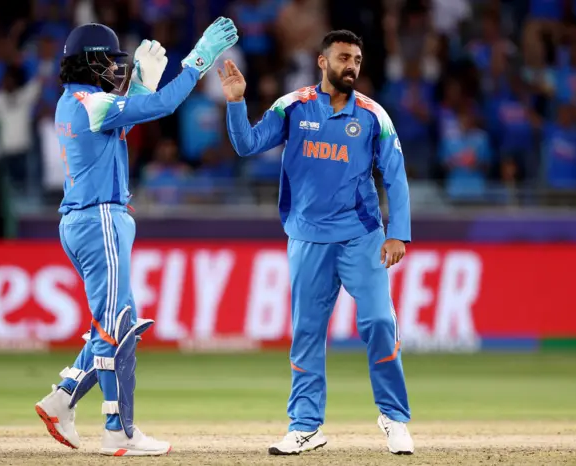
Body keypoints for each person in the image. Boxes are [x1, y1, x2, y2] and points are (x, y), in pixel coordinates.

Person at [34, 19, 238, 456]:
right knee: (116, 329)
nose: (114, 67)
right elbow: (161, 107)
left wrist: (140, 86)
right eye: (107, 59)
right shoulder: (93, 103)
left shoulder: (74, 103)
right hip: (100, 219)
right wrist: (198, 59)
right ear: (89, 61)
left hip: (83, 220)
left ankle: (63, 399)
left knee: (113, 321)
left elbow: (120, 126)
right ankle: (119, 430)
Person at [219, 30, 414, 455]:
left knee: (380, 322)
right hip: (307, 237)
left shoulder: (373, 115)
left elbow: (395, 176)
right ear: (323, 61)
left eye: (358, 60)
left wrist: (398, 231)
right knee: (307, 333)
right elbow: (246, 143)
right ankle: (306, 426)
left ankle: (394, 418)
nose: (352, 66)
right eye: (344, 57)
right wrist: (236, 102)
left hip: (362, 236)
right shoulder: (293, 106)